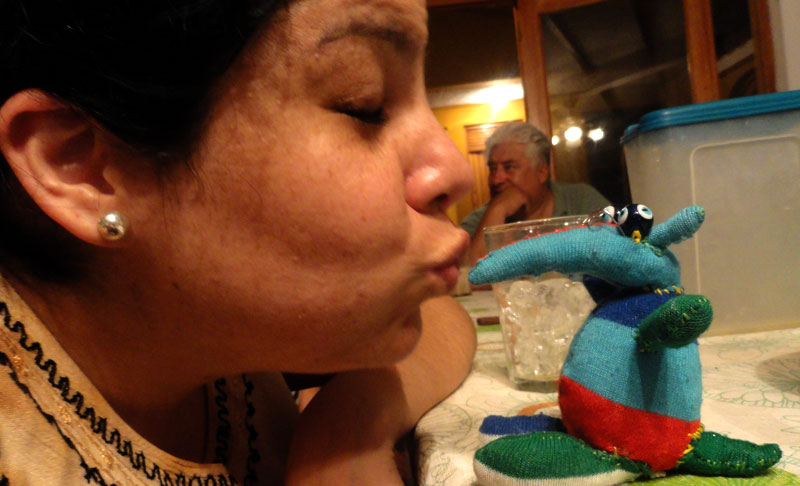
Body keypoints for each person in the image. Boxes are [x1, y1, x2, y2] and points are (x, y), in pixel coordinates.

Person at [0, 1, 477, 485]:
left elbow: (439, 315)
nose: (457, 170)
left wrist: (348, 426)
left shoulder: (211, 324)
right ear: (81, 167)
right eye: (365, 105)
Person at [460, 121, 610, 264]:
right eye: (493, 169)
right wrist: (497, 209)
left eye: (509, 167)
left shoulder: (581, 200)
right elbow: (471, 275)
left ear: (541, 172)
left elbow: (617, 252)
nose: (496, 180)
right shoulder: (477, 221)